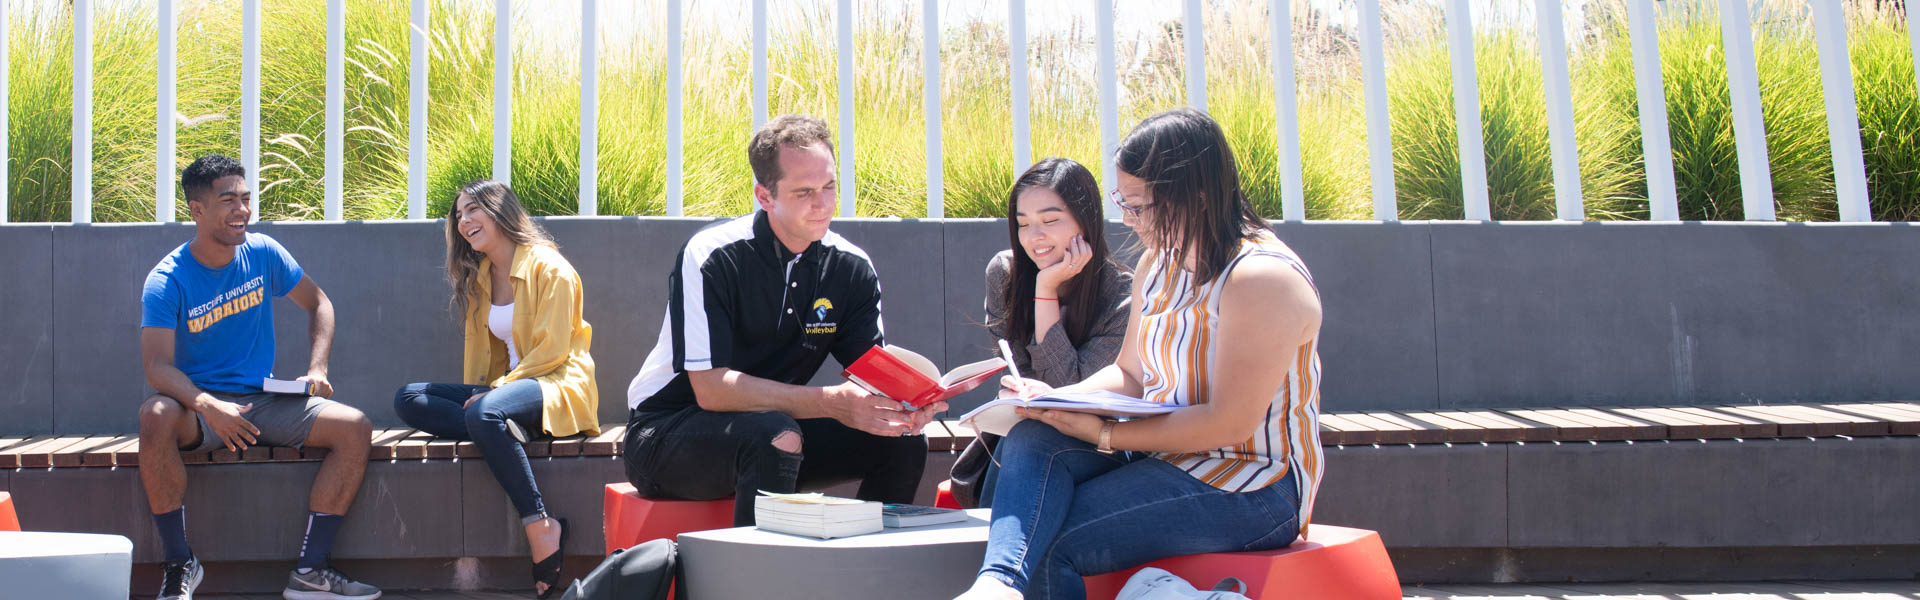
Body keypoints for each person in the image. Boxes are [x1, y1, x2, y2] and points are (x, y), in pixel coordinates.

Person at [954, 108, 1326, 600]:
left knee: (1052, 540)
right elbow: (1129, 374)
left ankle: (1004, 582)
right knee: (1032, 435)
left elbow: (1229, 423)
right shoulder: (1159, 263)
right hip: (1160, 457)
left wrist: (1105, 433)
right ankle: (997, 585)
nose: (1129, 221)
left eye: (1139, 206)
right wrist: (1060, 399)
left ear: (1194, 196)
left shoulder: (1260, 278)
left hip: (1251, 482)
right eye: (1122, 204)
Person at [623, 114, 944, 526]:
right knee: (774, 436)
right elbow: (711, 391)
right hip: (666, 433)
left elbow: (871, 373)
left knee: (900, 439)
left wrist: (909, 403)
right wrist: (830, 403)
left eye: (829, 186)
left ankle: (868, 575)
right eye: (804, 192)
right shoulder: (711, 255)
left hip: (776, 432)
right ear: (765, 195)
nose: (823, 203)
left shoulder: (851, 267)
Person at [137, 154, 381, 600]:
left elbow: (319, 303)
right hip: (200, 410)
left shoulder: (264, 252)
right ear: (197, 210)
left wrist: (317, 367)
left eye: (246, 198)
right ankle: (179, 564)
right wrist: (209, 405)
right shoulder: (167, 278)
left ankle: (311, 571)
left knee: (355, 428)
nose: (242, 210)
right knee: (154, 414)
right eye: (228, 200)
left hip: (263, 401)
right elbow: (156, 367)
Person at [392, 180, 597, 599]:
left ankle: (541, 525)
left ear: (500, 211)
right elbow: (485, 361)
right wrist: (485, 393)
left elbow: (553, 351)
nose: (464, 221)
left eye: (473, 210)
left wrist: (492, 395)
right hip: (509, 390)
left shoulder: (549, 268)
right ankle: (505, 429)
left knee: (483, 412)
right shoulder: (482, 277)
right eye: (459, 215)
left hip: (556, 382)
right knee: (409, 398)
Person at [956, 158, 1132, 508]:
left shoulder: (1122, 296)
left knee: (1031, 436)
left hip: (1097, 446)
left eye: (1050, 221)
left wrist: (1046, 290)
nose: (1034, 237)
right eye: (1023, 224)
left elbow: (1066, 394)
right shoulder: (1005, 273)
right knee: (1026, 432)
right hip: (1020, 433)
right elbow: (1023, 383)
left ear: (1086, 221)